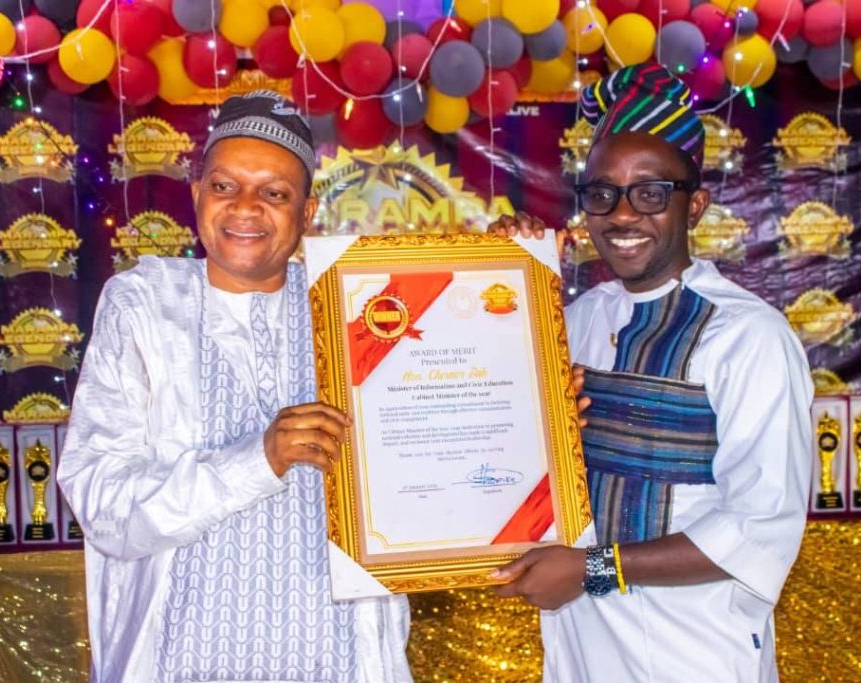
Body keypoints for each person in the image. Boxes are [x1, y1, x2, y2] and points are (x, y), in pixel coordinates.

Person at [58, 91, 411, 683]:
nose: (245, 208)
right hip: (179, 662)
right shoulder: (144, 304)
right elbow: (103, 505)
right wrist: (257, 459)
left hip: (341, 659)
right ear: (197, 193)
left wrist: (518, 284)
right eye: (225, 186)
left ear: (306, 211)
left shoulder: (355, 308)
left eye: (274, 193)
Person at [490, 64, 813, 682]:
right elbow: (496, 419)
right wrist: (500, 272)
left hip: (692, 653)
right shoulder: (576, 320)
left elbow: (757, 525)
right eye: (602, 193)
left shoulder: (746, 336)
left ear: (695, 206)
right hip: (582, 650)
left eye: (651, 193)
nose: (622, 214)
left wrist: (591, 570)